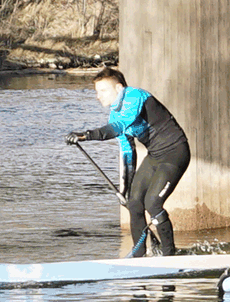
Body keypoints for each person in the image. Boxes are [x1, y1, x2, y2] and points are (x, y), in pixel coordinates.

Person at [66, 67, 190, 257]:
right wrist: (124, 189)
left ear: (119, 88)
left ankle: (169, 256)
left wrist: (86, 135)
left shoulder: (134, 96)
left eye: (103, 90)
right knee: (134, 203)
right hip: (155, 156)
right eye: (97, 92)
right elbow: (127, 153)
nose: (98, 96)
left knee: (153, 203)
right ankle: (138, 255)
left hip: (175, 152)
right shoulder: (114, 115)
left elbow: (120, 125)